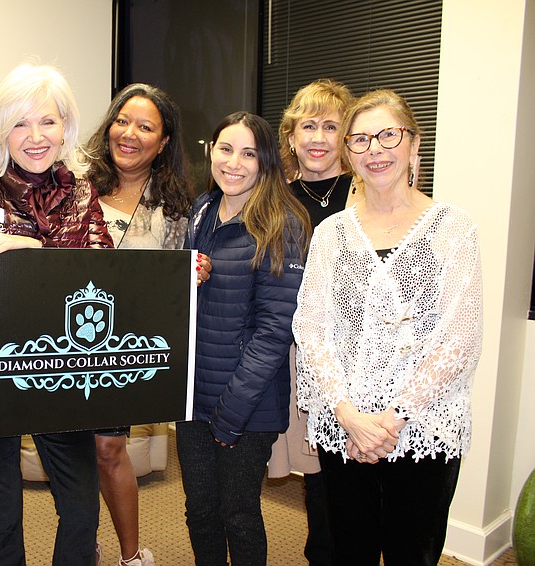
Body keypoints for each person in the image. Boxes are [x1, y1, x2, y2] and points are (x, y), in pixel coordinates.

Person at [0, 63, 113, 566]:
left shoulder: (83, 195)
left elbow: (104, 274)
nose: (35, 137)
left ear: (65, 127)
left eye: (47, 121)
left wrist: (32, 247)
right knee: (0, 520)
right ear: (2, 132)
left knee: (81, 513)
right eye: (20, 123)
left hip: (65, 373)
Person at [292, 89, 483, 566]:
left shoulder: (453, 228)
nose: (374, 149)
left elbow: (460, 337)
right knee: (348, 551)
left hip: (422, 426)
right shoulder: (332, 233)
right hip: (346, 425)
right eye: (360, 139)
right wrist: (348, 415)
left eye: (387, 136)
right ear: (349, 153)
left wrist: (392, 419)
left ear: (414, 145)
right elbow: (312, 328)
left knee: (411, 553)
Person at [176, 111, 311, 566]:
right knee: (200, 512)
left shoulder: (283, 223)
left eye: (248, 154)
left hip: (247, 404)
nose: (234, 163)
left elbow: (276, 330)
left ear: (265, 161)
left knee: (238, 514)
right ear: (211, 151)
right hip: (194, 397)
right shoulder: (202, 210)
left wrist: (231, 414)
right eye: (226, 149)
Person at [83, 82, 193, 566]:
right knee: (74, 454)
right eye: (122, 121)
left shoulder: (174, 207)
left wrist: (196, 271)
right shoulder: (75, 188)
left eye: (145, 127)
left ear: (164, 141)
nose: (129, 134)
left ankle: (131, 555)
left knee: (109, 448)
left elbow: (177, 278)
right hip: (63, 344)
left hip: (124, 351)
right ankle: (83, 543)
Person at [269, 78, 355, 566]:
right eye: (308, 126)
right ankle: (321, 552)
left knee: (353, 463)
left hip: (355, 350)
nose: (318, 137)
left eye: (330, 126)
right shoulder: (274, 198)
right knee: (317, 466)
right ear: (291, 136)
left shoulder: (366, 191)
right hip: (296, 347)